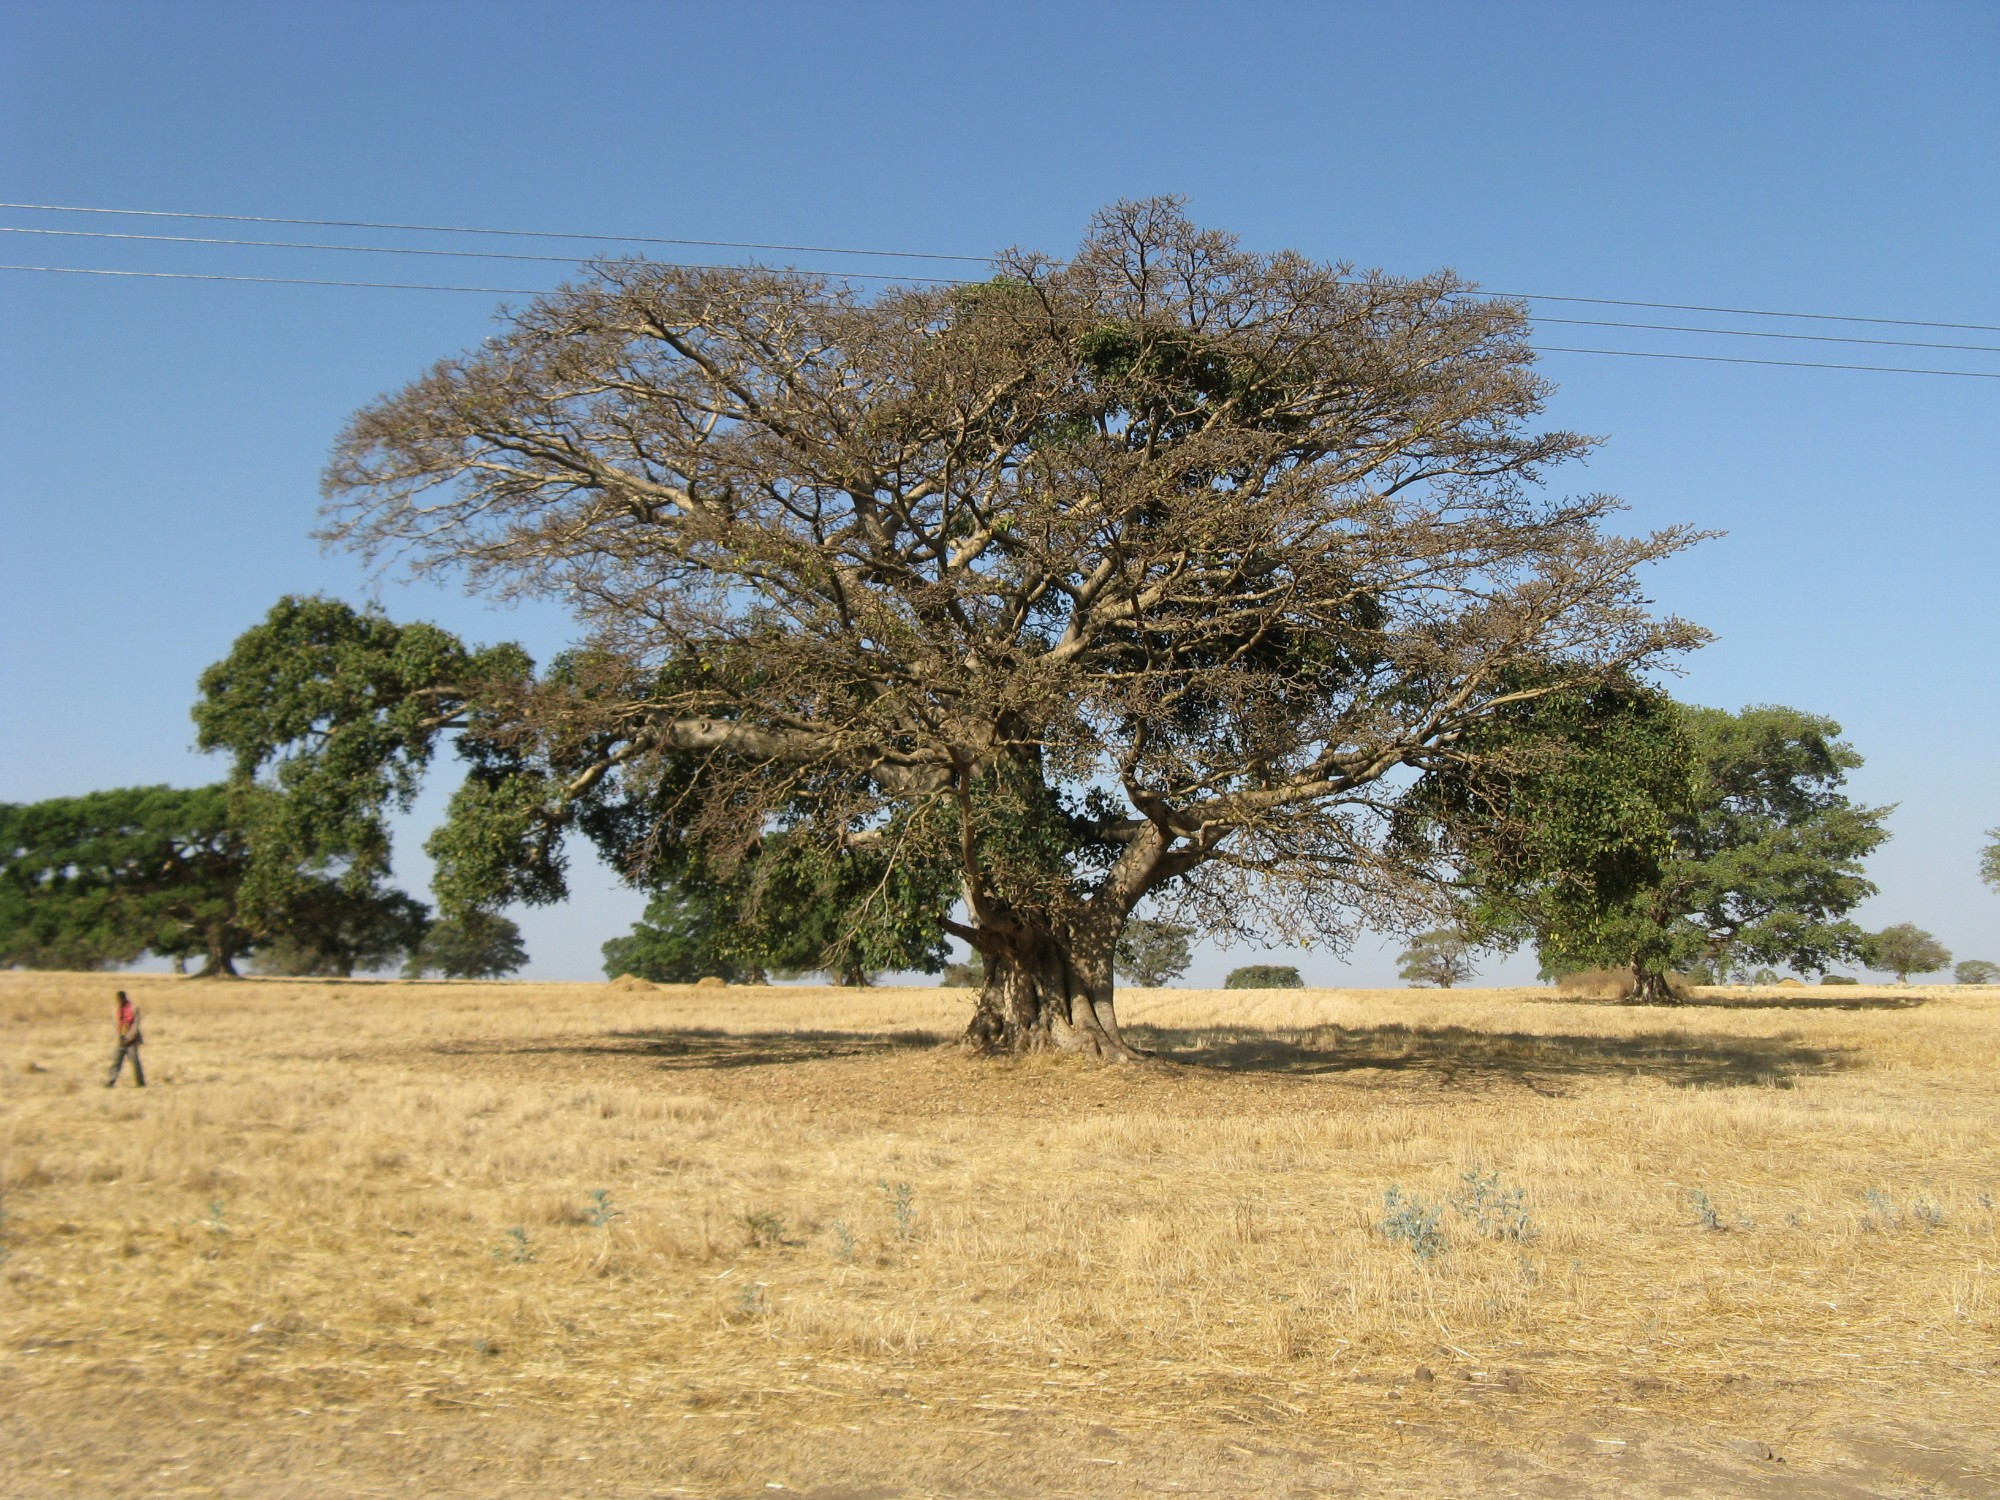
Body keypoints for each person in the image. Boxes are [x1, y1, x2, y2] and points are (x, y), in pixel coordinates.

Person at [106, 990, 145, 1088]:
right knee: (116, 1061)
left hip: (131, 1040)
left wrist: (128, 1038)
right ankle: (111, 1081)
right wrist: (119, 1037)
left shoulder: (134, 1008)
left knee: (135, 1062)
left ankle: (140, 1084)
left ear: (124, 998)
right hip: (121, 1040)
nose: (118, 1001)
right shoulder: (117, 1010)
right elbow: (116, 1024)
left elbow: (135, 1026)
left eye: (119, 999)